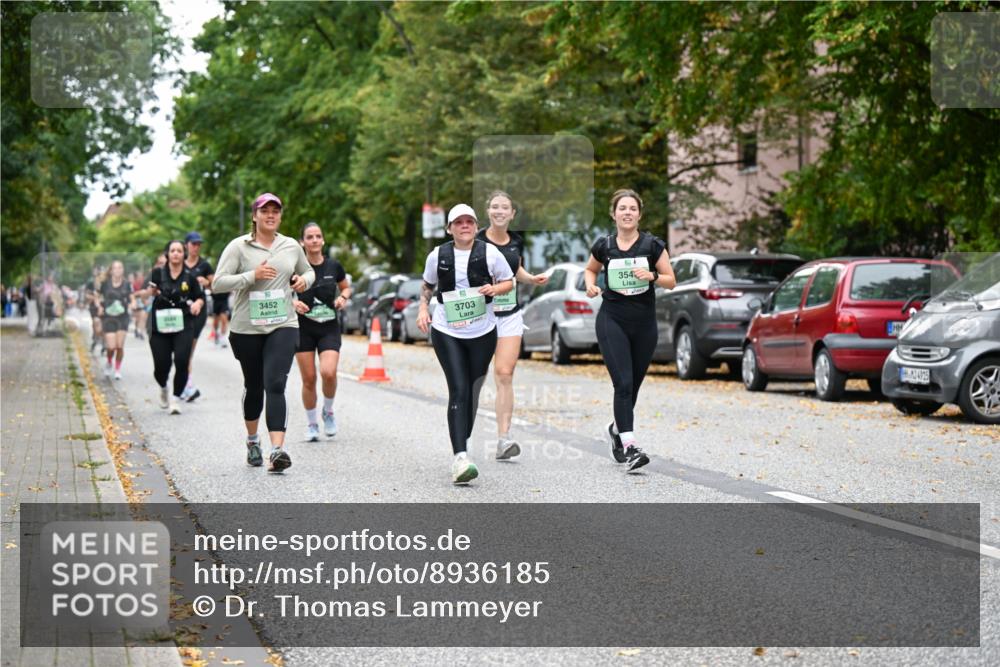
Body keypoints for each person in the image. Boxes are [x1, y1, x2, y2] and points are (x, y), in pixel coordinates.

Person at [213, 193, 314, 473]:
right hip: (247, 328)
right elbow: (218, 283)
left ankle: (277, 450)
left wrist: (303, 280)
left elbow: (308, 272)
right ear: (255, 216)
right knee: (255, 385)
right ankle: (252, 440)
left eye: (275, 211)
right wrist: (251, 276)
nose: (270, 215)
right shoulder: (238, 247)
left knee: (276, 384)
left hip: (283, 324)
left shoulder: (291, 245)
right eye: (265, 211)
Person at [417, 203, 515, 484]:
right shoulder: (438, 255)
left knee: (472, 391)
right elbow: (427, 286)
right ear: (450, 228)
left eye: (469, 222)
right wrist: (424, 309)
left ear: (475, 226)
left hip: (483, 331)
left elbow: (507, 281)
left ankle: (464, 440)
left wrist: (495, 289)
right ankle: (460, 456)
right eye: (458, 222)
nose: (464, 226)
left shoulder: (490, 252)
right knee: (458, 389)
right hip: (447, 330)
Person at [584, 189, 675, 472]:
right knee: (622, 383)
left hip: (644, 324)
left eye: (632, 209)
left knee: (632, 386)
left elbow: (671, 280)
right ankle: (631, 446)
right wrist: (590, 284)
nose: (627, 213)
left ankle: (616, 430)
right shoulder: (604, 246)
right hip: (613, 319)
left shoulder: (652, 246)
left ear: (639, 214)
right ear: (614, 214)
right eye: (622, 208)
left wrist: (653, 276)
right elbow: (590, 269)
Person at [476, 191, 548, 460]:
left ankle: (503, 439)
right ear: (488, 211)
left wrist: (531, 279)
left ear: (512, 214)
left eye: (504, 207)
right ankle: (463, 434)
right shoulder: (476, 240)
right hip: (479, 317)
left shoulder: (516, 240)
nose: (499, 211)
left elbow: (514, 271)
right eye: (494, 206)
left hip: (509, 315)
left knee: (504, 374)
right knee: (474, 376)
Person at [293, 222, 351, 441]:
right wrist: (293, 304)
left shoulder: (333, 266)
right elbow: (280, 291)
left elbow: (345, 286)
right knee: (308, 379)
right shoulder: (296, 269)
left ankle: (327, 411)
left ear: (323, 240)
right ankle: (311, 424)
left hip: (328, 328)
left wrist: (343, 297)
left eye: (318, 236)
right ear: (302, 242)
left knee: (328, 372)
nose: (314, 240)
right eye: (310, 237)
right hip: (303, 329)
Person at [143, 240, 205, 414]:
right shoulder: (156, 274)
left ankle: (176, 398)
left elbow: (200, 296)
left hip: (183, 323)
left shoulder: (190, 277)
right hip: (159, 325)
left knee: (182, 361)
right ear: (167, 254)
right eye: (173, 251)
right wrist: (151, 292)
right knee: (161, 366)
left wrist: (197, 305)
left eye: (179, 250)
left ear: (184, 254)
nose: (176, 253)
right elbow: (144, 292)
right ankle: (163, 387)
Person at [181, 231, 214, 402]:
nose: (196, 247)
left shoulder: (205, 265)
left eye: (199, 244)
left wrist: (207, 282)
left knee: (187, 350)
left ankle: (187, 386)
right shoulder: (179, 263)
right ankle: (186, 385)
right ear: (186, 245)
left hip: (198, 311)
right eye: (193, 244)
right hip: (180, 310)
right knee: (181, 351)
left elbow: (216, 285)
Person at [98, 260, 135, 379]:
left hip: (122, 317)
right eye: (115, 268)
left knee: (119, 346)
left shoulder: (127, 284)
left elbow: (132, 297)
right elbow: (97, 296)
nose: (118, 270)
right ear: (111, 270)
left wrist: (132, 304)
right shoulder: (105, 284)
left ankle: (118, 369)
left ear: (122, 270)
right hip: (108, 317)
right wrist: (99, 306)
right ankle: (109, 362)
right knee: (111, 347)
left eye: (120, 268)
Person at [131, 271, 147, 339]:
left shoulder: (145, 283)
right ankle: (136, 329)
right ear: (136, 278)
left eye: (141, 276)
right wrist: (139, 293)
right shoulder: (133, 284)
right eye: (139, 277)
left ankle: (141, 332)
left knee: (143, 317)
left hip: (143, 301)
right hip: (136, 302)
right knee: (138, 318)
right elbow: (132, 294)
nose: (140, 278)